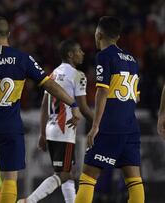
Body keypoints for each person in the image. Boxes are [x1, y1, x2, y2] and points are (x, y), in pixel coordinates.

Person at [0, 16, 80, 203]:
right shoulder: (22, 59)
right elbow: (49, 85)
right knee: (10, 177)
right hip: (10, 128)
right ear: (9, 34)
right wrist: (73, 103)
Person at [74, 16, 144, 203]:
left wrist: (96, 125)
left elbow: (102, 92)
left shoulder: (104, 56)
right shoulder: (132, 60)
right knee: (135, 182)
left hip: (111, 125)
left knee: (88, 177)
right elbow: (136, 96)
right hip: (131, 126)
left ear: (99, 34)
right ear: (118, 36)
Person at [18, 40, 93, 203]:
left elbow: (44, 105)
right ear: (70, 54)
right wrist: (98, 124)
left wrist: (43, 133)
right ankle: (29, 201)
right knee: (63, 174)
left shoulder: (53, 74)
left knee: (68, 172)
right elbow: (84, 107)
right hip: (64, 129)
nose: (83, 53)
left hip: (52, 128)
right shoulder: (78, 75)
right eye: (79, 50)